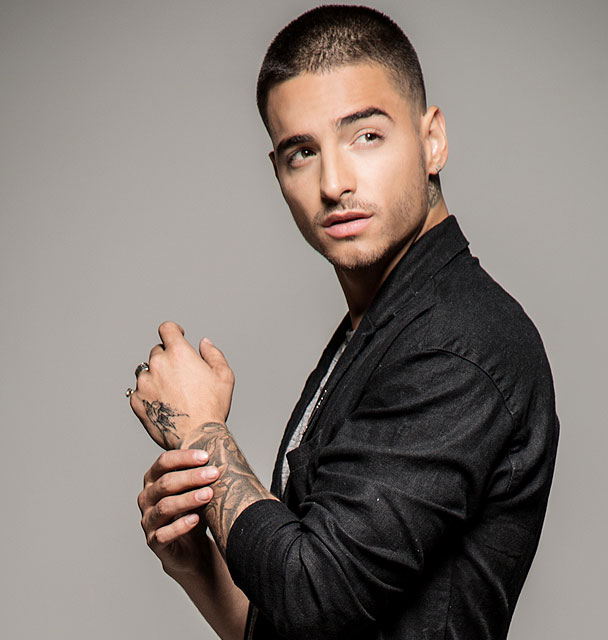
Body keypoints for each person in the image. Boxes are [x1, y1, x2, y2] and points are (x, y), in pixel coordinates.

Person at [127, 5, 559, 639]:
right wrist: (201, 570)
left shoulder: (458, 343)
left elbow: (315, 596)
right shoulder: (380, 327)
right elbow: (314, 622)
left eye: (366, 136)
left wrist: (199, 430)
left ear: (432, 140)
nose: (334, 183)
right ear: (278, 173)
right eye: (303, 152)